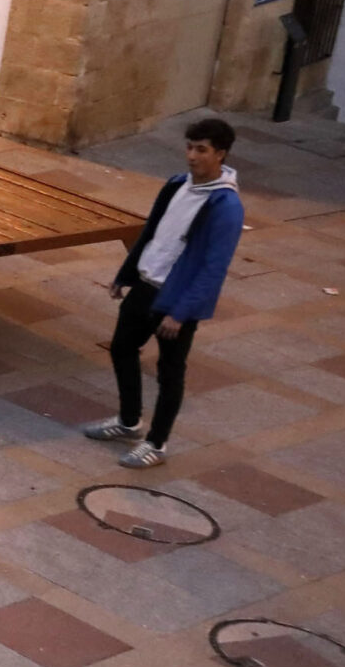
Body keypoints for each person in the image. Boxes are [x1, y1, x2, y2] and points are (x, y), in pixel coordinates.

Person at [86, 117, 243, 468]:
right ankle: (129, 422)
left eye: (201, 150)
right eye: (189, 147)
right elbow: (153, 233)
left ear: (220, 154)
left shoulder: (225, 207)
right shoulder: (177, 185)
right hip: (146, 286)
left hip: (176, 301)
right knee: (122, 349)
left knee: (170, 371)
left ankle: (156, 444)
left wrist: (181, 312)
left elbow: (213, 268)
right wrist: (125, 275)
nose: (191, 156)